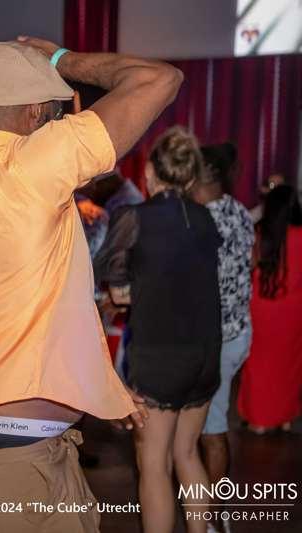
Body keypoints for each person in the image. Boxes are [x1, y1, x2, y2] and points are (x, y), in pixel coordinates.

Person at [0, 36, 182, 533]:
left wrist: (95, 381)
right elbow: (160, 79)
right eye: (56, 113)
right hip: (13, 452)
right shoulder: (31, 165)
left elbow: (12, 307)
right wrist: (61, 60)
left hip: (14, 441)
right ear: (35, 114)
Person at [96, 127, 223, 533]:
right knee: (187, 452)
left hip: (161, 357)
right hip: (205, 354)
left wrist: (128, 292)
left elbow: (114, 283)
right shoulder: (204, 218)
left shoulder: (135, 217)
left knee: (153, 465)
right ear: (190, 175)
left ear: (150, 170)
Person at [190, 143, 254, 532]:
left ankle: (213, 517)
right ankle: (215, 510)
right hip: (237, 333)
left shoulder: (202, 222)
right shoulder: (240, 212)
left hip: (215, 341)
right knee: (206, 428)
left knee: (210, 432)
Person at [238, 184, 302, 433]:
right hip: (294, 310)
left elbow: (247, 267)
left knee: (258, 363)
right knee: (290, 365)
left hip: (261, 306)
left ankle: (259, 419)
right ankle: (285, 417)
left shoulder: (259, 235)